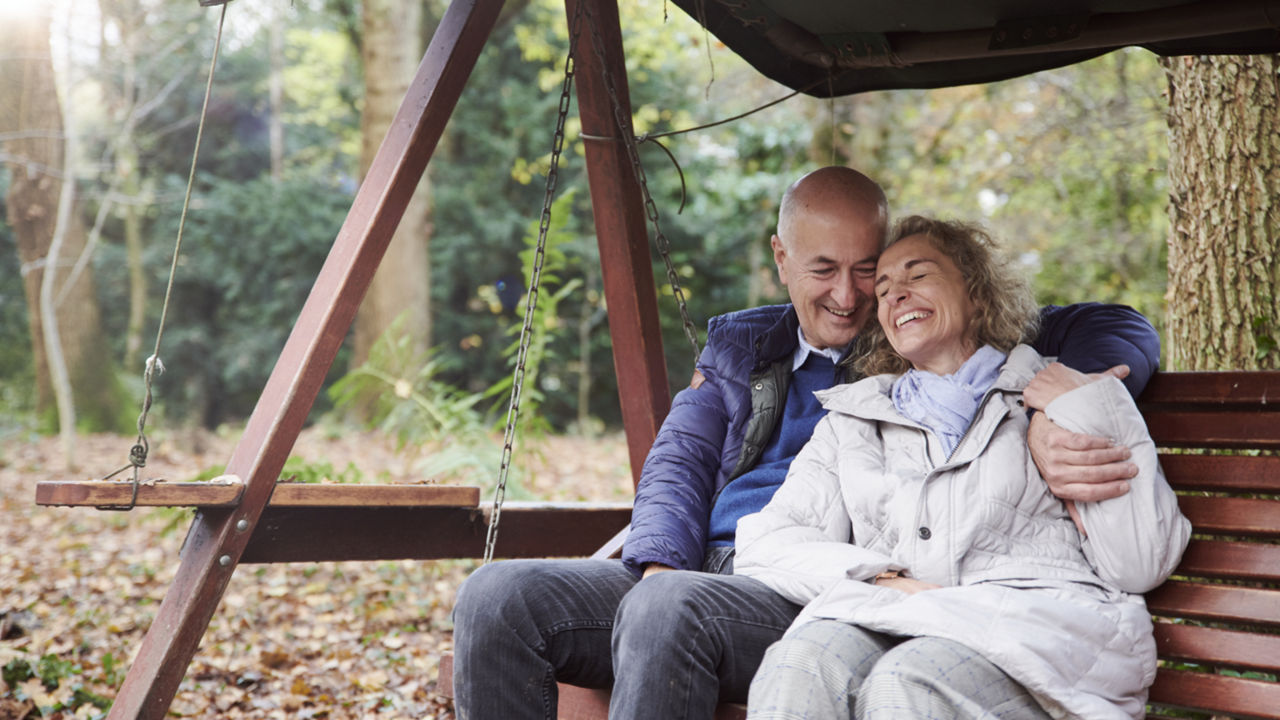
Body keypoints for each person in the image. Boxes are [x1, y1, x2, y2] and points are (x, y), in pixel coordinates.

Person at [450, 167, 1160, 720]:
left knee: (666, 611)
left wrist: (1061, 409)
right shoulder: (741, 346)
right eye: (824, 270)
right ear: (781, 258)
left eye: (868, 269)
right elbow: (679, 463)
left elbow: (1116, 326)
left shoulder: (917, 338)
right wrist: (663, 564)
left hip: (817, 582)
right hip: (702, 573)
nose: (852, 297)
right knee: (498, 596)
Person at [735, 216, 1191, 720]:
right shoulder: (856, 418)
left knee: (906, 683)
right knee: (799, 661)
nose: (895, 296)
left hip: (1037, 634)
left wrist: (1086, 409)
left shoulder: (1055, 395)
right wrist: (882, 578)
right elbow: (765, 543)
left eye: (918, 275)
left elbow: (1142, 561)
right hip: (900, 617)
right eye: (883, 289)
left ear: (977, 294)